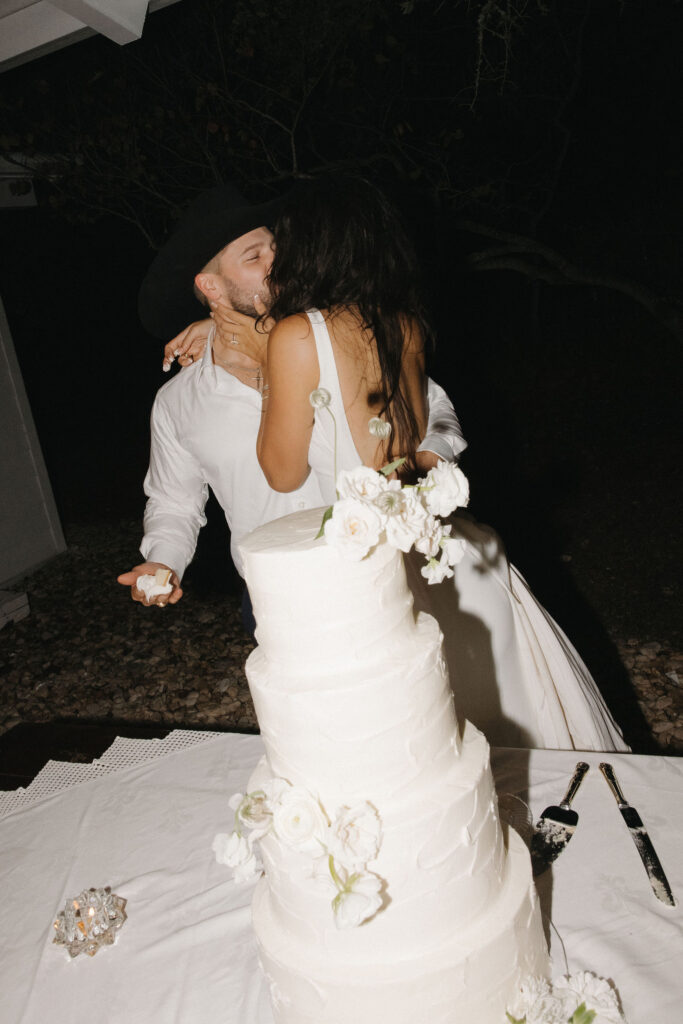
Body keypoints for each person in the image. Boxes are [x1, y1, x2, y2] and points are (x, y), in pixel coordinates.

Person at [224, 174, 629, 752]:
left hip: (369, 563)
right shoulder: (404, 323)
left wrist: (267, 367)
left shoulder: (297, 335)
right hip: (438, 544)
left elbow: (282, 473)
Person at [118, 184, 466, 627]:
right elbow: (173, 502)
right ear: (210, 287)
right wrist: (162, 561)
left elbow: (432, 403)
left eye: (276, 249)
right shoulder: (179, 402)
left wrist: (426, 465)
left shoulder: (326, 338)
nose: (277, 264)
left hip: (381, 577)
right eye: (254, 257)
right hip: (278, 597)